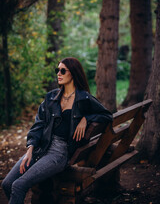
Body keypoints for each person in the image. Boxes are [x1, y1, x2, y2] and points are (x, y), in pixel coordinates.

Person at [2, 57, 112, 204]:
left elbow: (107, 115)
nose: (58, 74)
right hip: (40, 148)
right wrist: (30, 148)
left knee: (19, 185)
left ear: (73, 73)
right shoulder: (51, 97)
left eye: (62, 70)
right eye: (57, 70)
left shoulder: (84, 99)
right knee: (7, 184)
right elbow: (38, 125)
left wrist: (87, 118)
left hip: (59, 153)